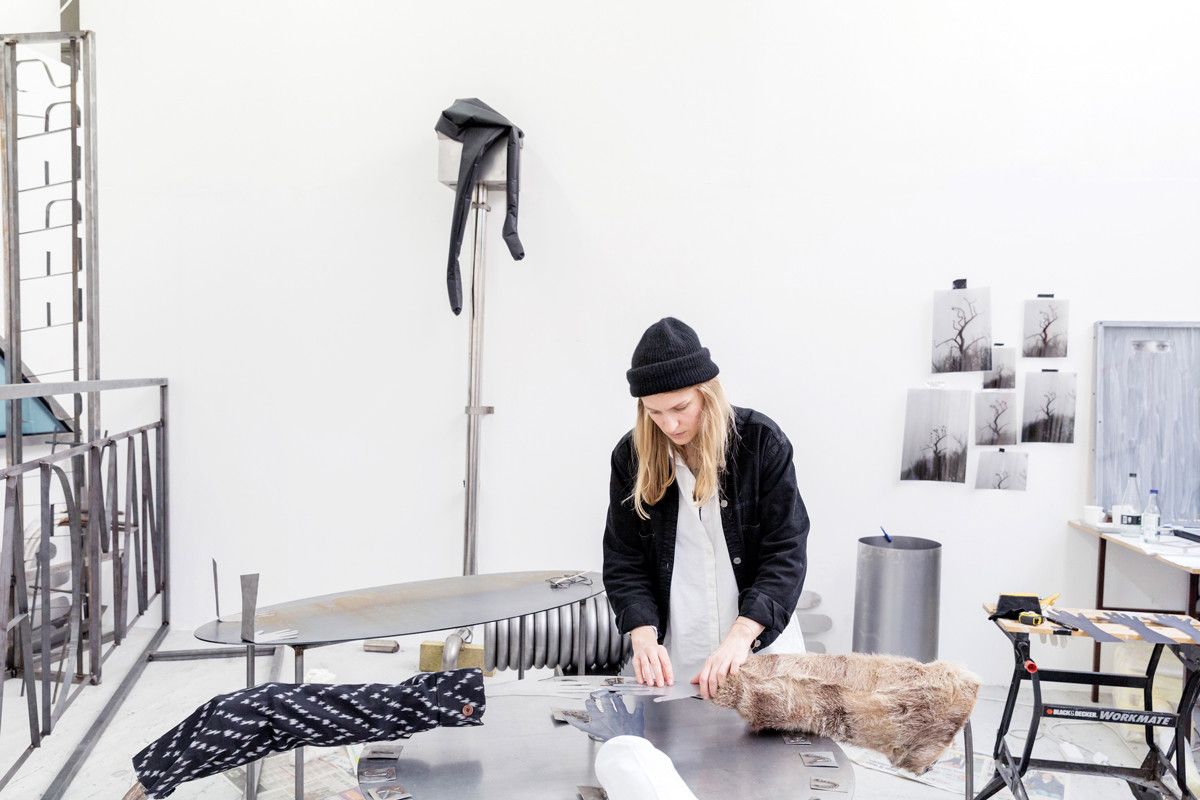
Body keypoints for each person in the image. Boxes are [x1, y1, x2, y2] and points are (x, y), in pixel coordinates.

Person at [603, 317, 810, 700]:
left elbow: (786, 552)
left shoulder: (762, 443)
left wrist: (742, 637)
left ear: (706, 393)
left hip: (759, 646)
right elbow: (624, 560)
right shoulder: (630, 458)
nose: (669, 423)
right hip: (677, 659)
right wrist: (643, 637)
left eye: (680, 407)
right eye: (654, 412)